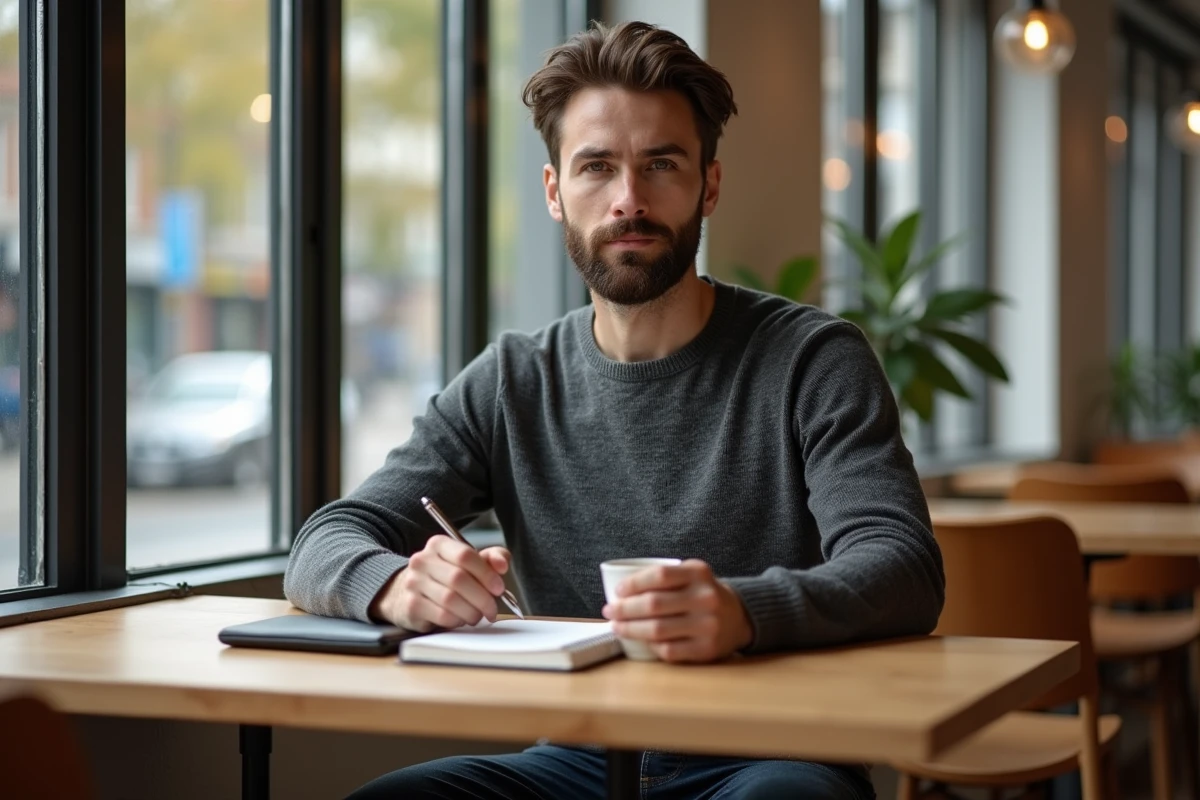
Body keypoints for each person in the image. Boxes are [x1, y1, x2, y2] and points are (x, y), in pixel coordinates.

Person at [285, 19, 944, 800]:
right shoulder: (509, 381)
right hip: (576, 759)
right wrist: (394, 586)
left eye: (660, 164)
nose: (629, 199)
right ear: (556, 192)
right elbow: (324, 541)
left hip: (773, 751)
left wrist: (745, 611)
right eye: (597, 167)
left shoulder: (811, 359)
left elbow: (903, 568)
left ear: (710, 184)